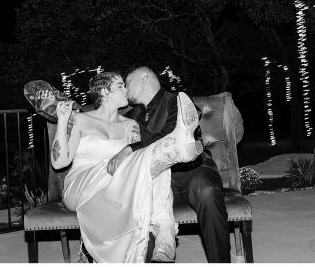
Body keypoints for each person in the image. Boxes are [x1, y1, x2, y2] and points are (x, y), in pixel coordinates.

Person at [45, 73, 202, 262]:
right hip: (81, 186)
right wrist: (62, 120)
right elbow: (59, 163)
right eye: (120, 85)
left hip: (114, 187)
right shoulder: (80, 120)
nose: (127, 90)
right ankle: (175, 147)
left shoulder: (131, 125)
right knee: (143, 161)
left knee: (148, 161)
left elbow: (142, 158)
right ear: (104, 91)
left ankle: (164, 231)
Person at [110, 66, 231, 263]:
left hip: (194, 172)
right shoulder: (131, 117)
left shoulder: (178, 101)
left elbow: (170, 132)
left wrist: (131, 148)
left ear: (143, 77)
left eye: (127, 82)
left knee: (206, 191)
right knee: (139, 200)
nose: (125, 88)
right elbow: (105, 128)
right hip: (157, 182)